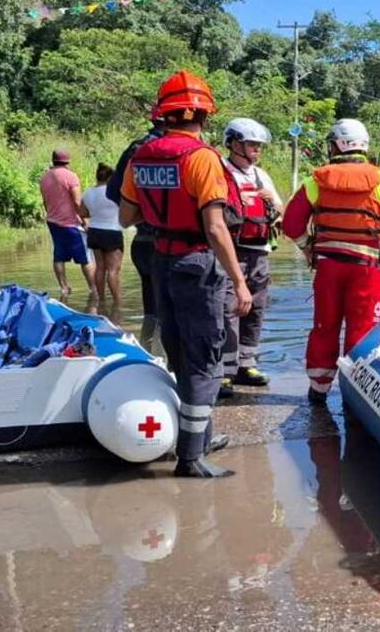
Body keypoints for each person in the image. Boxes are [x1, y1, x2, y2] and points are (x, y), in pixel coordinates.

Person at [118, 70, 251, 478]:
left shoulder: (140, 156)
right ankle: (191, 457)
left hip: (160, 260)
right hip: (197, 264)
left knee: (180, 351)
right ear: (201, 114)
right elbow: (214, 227)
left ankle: (200, 437)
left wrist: (160, 207)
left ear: (166, 114)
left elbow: (126, 216)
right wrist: (240, 281)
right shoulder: (201, 158)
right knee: (205, 357)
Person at [283, 119, 380, 405]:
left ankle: (319, 388)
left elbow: (291, 223)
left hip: (328, 266)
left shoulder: (315, 181)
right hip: (367, 268)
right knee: (363, 328)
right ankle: (356, 392)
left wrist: (308, 247)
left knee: (325, 325)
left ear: (336, 146)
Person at [219, 118, 284, 395]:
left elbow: (279, 210)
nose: (257, 150)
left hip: (259, 251)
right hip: (231, 250)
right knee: (227, 308)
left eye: (259, 146)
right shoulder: (221, 172)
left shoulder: (261, 175)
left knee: (256, 308)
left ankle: (246, 363)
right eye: (252, 145)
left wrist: (272, 200)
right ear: (234, 144)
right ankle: (224, 369)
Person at [108, 111, 166, 355]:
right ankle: (170, 369)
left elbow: (114, 192)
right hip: (172, 245)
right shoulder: (185, 150)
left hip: (142, 241)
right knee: (171, 308)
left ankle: (147, 357)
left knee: (151, 307)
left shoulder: (135, 150)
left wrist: (141, 214)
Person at [39, 149, 96, 297]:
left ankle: (64, 287)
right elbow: (77, 202)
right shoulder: (71, 177)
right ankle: (93, 289)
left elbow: (45, 201)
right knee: (85, 257)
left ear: (53, 160)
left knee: (59, 255)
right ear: (68, 161)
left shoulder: (44, 177)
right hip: (72, 223)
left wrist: (51, 214)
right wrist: (85, 221)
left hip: (53, 221)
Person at [80, 163, 124, 305]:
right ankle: (117, 303)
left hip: (94, 232)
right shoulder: (115, 192)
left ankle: (102, 302)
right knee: (113, 271)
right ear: (111, 177)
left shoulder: (88, 192)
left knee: (100, 267)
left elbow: (82, 213)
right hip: (112, 231)